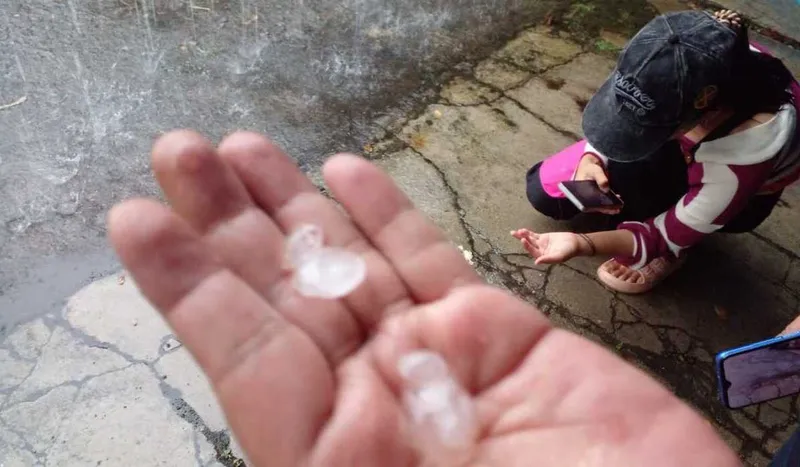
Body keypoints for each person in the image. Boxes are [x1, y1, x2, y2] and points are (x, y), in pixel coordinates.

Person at [109, 129, 743, 466]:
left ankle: (664, 250)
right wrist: (594, 164)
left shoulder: (732, 173)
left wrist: (580, 245)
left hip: (687, 210)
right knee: (553, 181)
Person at [517, 10, 800, 294]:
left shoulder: (751, 141)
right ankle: (644, 192)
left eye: (651, 125)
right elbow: (620, 102)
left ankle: (675, 249)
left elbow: (661, 236)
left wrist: (584, 244)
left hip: (738, 187)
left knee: (645, 214)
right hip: (686, 144)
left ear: (703, 111)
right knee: (544, 193)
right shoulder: (668, 53)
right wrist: (592, 157)